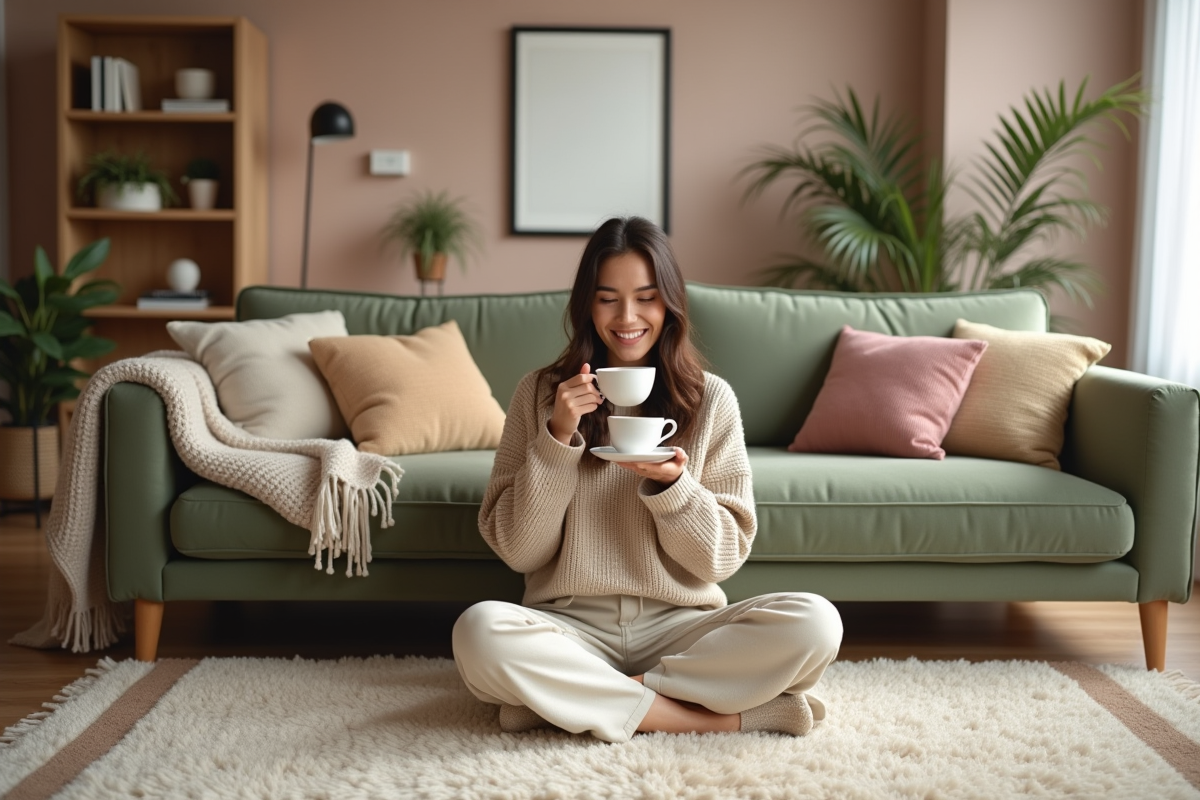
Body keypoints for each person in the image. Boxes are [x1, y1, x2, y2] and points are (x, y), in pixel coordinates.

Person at [452, 216, 843, 743]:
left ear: (671, 305)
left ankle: (575, 701)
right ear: (586, 305)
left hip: (683, 629)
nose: (628, 317)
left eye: (647, 297)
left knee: (817, 622)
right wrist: (557, 439)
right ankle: (724, 716)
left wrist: (674, 490)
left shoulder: (711, 399)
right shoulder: (540, 394)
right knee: (478, 632)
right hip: (570, 627)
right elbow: (520, 553)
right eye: (608, 298)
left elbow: (721, 560)